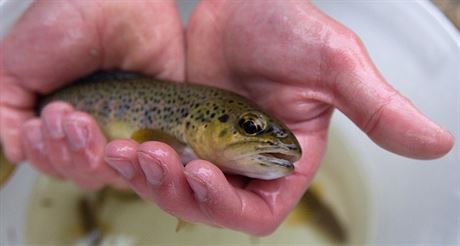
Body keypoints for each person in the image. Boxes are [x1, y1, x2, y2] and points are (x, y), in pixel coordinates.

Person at [0, 0, 453, 236]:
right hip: (72, 99)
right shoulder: (173, 125)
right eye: (250, 128)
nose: (271, 143)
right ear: (200, 122)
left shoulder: (201, 133)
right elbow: (143, 138)